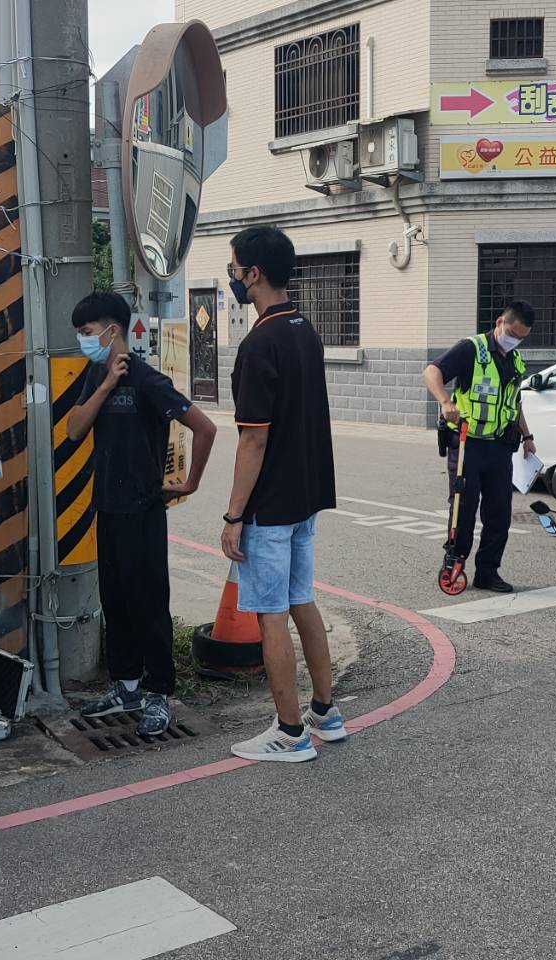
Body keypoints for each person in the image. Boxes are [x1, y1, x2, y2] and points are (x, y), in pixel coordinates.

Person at [66, 292, 217, 736]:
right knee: (116, 601)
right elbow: (75, 429)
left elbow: (204, 427)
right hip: (107, 509)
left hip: (144, 510)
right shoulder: (96, 375)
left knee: (150, 604)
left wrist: (190, 482)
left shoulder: (149, 380)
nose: (84, 341)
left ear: (113, 331)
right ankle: (126, 685)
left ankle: (158, 693)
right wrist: (107, 385)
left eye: (88, 333)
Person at [221, 225, 344, 764]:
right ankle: (325, 712)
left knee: (271, 612)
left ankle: (290, 733)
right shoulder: (303, 329)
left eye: (234, 266)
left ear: (253, 273)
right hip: (305, 496)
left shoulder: (260, 342)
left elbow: (253, 436)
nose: (232, 275)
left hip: (270, 505)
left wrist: (233, 515)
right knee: (300, 600)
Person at [421, 301, 539, 593]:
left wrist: (527, 436)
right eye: (512, 332)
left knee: (499, 512)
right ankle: (454, 562)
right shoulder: (472, 349)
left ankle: (488, 572)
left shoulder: (515, 359)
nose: (514, 339)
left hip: (500, 446)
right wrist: (445, 402)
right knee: (464, 506)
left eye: (521, 337)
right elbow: (431, 372)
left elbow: (514, 401)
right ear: (500, 322)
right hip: (467, 444)